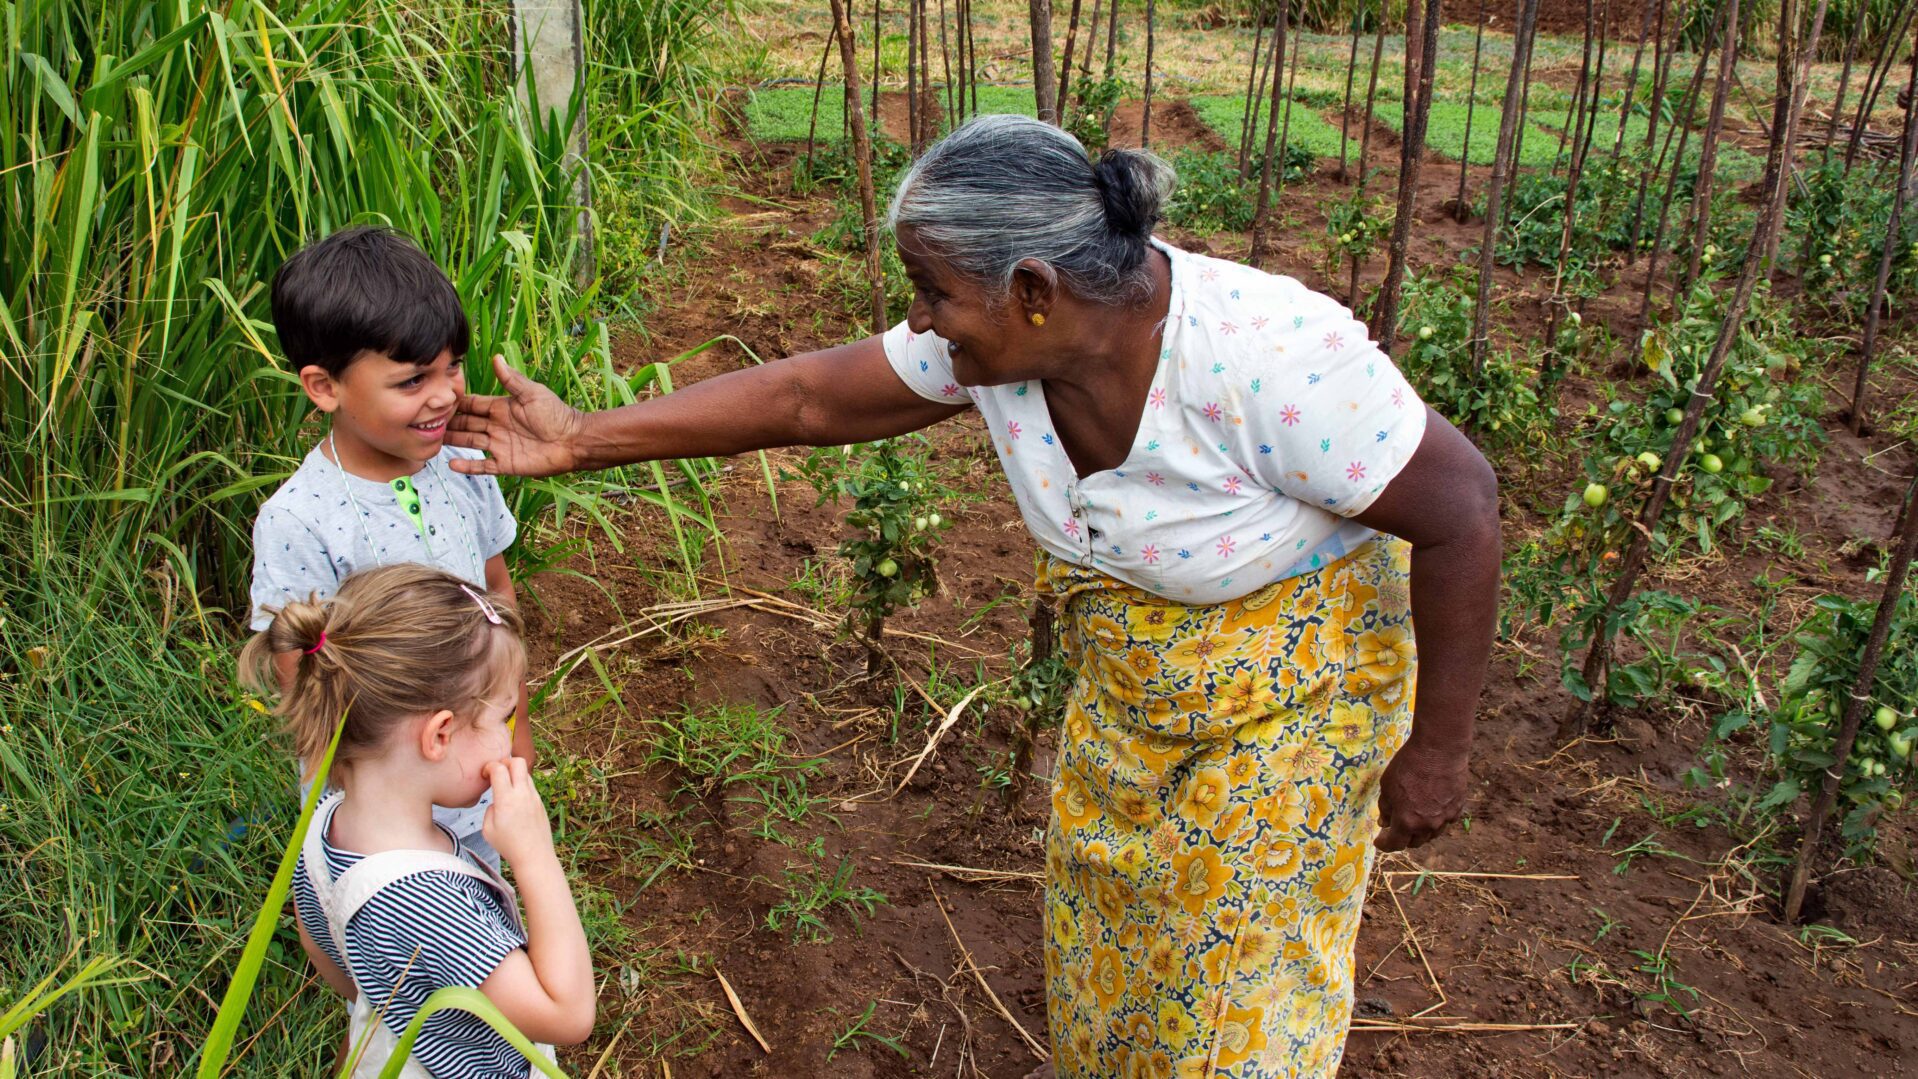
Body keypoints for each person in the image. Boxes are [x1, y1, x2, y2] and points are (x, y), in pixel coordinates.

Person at [448, 114, 1500, 1077]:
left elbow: (1460, 508)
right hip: (1132, 693)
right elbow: (809, 397)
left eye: (931, 290)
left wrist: (1438, 749)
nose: (919, 317)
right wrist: (582, 436)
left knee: (1238, 999)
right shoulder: (1003, 347)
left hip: (1293, 704)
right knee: (1113, 936)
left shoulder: (1270, 361)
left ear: (1034, 289)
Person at [248, 225, 531, 869]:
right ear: (325, 387)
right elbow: (303, 675)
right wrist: (352, 798)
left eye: (452, 367)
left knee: (479, 916)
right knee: (390, 934)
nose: (445, 395)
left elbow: (499, 595)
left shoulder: (463, 467)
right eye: (411, 381)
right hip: (378, 802)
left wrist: (514, 729)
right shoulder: (301, 520)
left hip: (474, 769)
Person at [240, 565, 594, 1077]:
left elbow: (330, 961)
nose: (508, 735)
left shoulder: (320, 827)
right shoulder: (432, 901)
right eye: (503, 717)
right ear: (440, 735)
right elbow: (568, 1014)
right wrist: (535, 854)